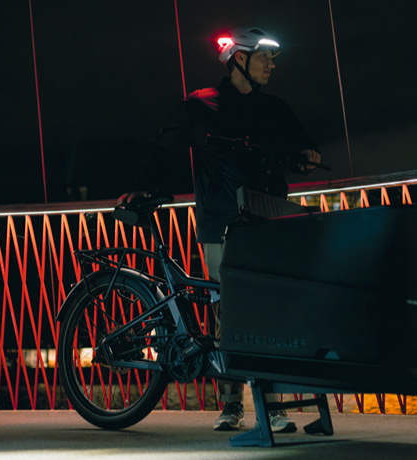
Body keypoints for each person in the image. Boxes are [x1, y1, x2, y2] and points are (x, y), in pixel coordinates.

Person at [138, 26, 322, 432]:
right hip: (221, 222)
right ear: (239, 58)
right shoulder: (201, 105)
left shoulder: (275, 109)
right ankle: (234, 403)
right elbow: (162, 151)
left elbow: (302, 150)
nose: (272, 65)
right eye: (264, 57)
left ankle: (271, 406)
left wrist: (307, 156)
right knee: (230, 308)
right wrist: (142, 188)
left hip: (268, 218)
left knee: (267, 307)